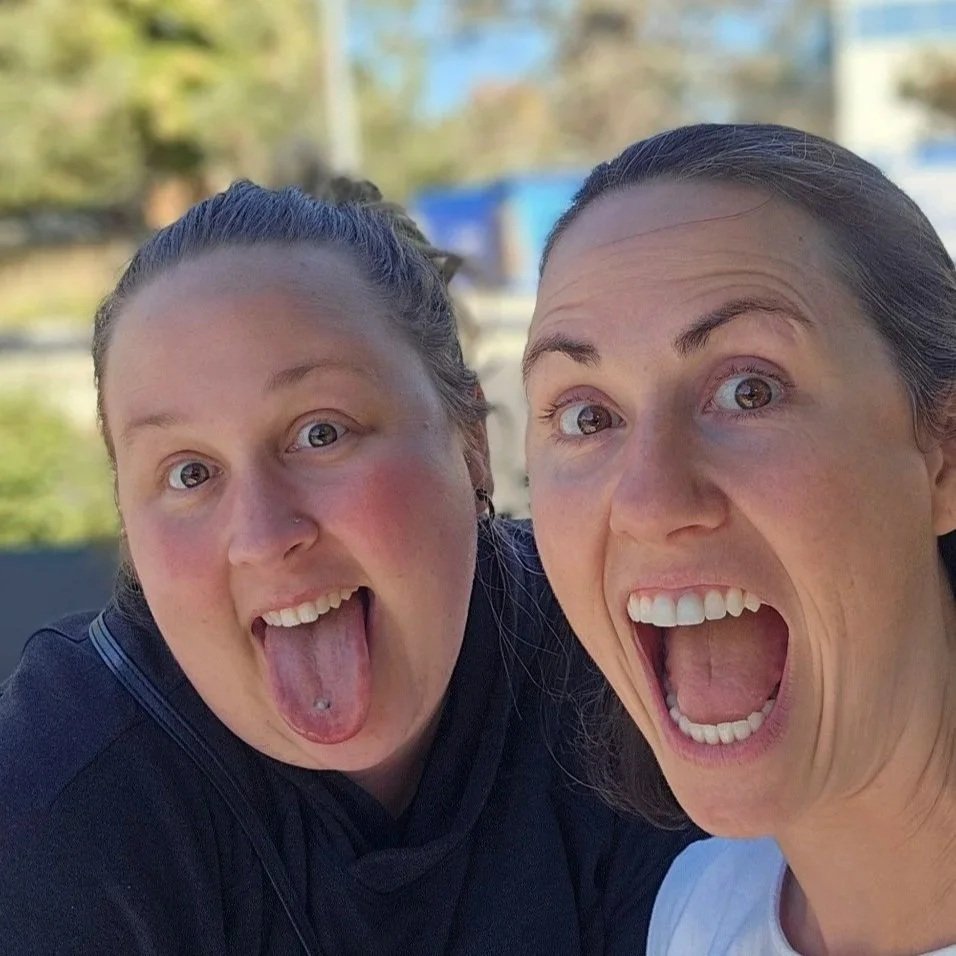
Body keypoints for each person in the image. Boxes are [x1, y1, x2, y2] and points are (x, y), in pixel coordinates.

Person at [0, 178, 695, 954]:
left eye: (320, 433)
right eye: (189, 473)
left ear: (470, 440)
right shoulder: (63, 787)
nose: (263, 536)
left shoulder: (618, 654)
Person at [523, 123, 956, 956]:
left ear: (944, 451)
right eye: (587, 416)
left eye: (750, 391)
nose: (649, 502)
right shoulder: (698, 910)